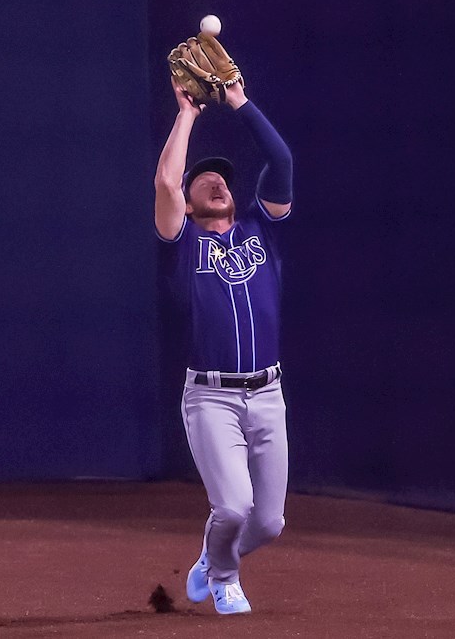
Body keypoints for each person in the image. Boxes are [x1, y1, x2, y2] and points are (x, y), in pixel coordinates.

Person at [153, 76, 293, 615]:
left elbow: (280, 160)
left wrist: (238, 100)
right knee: (233, 507)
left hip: (269, 395)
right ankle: (225, 578)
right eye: (203, 179)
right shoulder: (184, 244)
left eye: (222, 179)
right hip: (211, 397)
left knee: (270, 522)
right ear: (188, 205)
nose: (216, 181)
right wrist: (187, 113)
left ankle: (211, 560)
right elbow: (166, 182)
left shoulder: (262, 229)